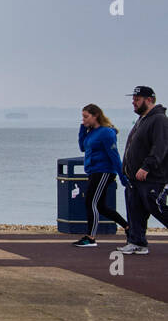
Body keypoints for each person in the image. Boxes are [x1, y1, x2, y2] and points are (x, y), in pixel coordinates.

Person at [118, 85, 168, 254]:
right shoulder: (143, 119)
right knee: (135, 209)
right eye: (133, 99)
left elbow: (160, 146)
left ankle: (137, 241)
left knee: (158, 208)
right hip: (134, 178)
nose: (133, 102)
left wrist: (147, 166)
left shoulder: (159, 119)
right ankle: (137, 242)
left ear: (149, 100)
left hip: (152, 177)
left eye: (137, 99)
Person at [72, 104, 127, 247]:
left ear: (95, 115)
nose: (83, 119)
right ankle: (128, 227)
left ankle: (91, 238)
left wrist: (122, 176)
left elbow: (114, 155)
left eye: (86, 116)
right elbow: (83, 147)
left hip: (104, 171)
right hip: (93, 171)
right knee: (101, 206)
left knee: (90, 202)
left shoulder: (106, 133)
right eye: (82, 117)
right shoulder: (91, 132)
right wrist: (82, 129)